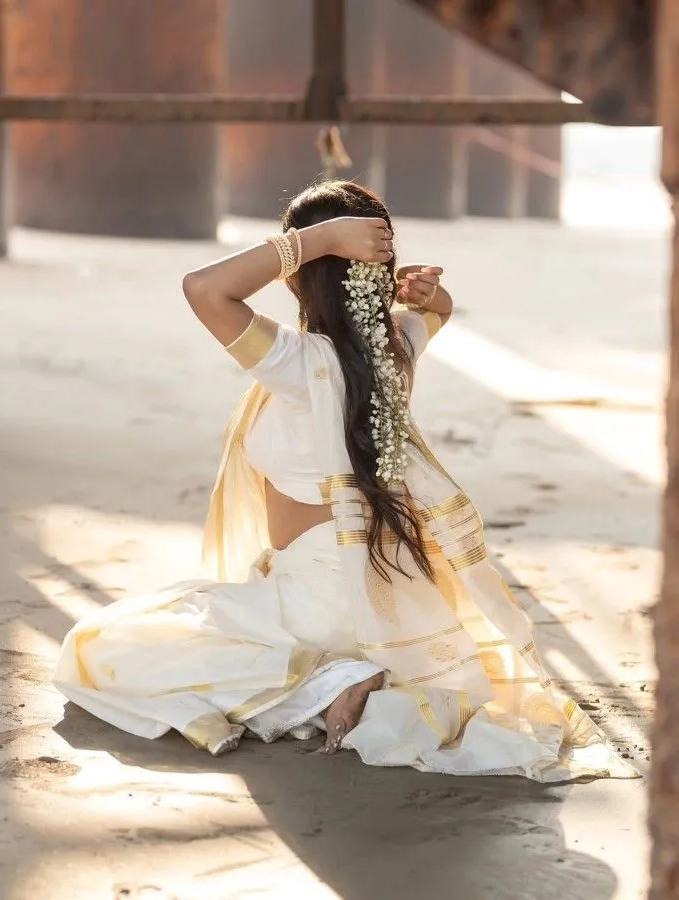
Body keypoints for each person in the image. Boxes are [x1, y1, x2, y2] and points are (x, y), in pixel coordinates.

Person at [55, 181, 635, 781]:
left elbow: (204, 288)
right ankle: (340, 674)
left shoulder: (298, 362)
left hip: (316, 604)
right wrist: (423, 293)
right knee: (186, 626)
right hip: (385, 595)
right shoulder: (394, 349)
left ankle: (329, 682)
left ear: (297, 277)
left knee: (99, 647)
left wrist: (319, 239)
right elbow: (438, 311)